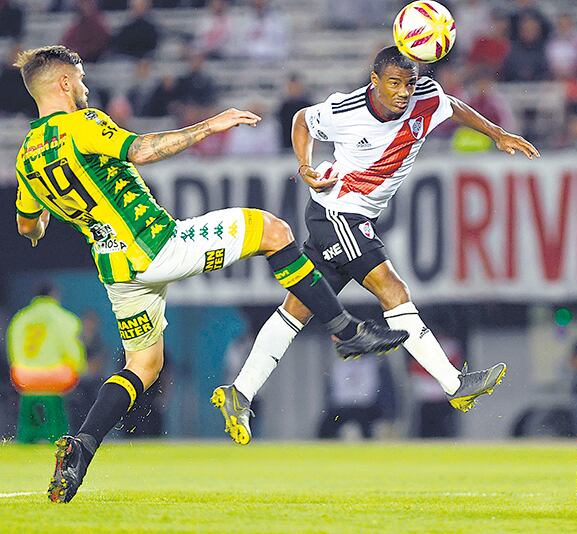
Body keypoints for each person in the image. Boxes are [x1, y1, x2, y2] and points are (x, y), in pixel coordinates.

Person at [12, 45, 408, 503]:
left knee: (143, 365)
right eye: (79, 80)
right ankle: (346, 329)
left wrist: (50, 217)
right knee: (273, 230)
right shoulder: (82, 123)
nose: (84, 88)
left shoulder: (26, 156)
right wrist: (208, 126)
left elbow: (29, 225)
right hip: (157, 245)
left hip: (118, 272)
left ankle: (81, 447)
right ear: (63, 82)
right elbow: (140, 149)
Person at [216, 47, 540, 444]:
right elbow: (302, 120)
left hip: (344, 217)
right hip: (339, 212)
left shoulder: (425, 97)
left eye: (409, 83)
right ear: (375, 81)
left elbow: (451, 104)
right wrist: (305, 166)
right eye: (394, 84)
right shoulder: (346, 110)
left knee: (295, 311)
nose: (404, 92)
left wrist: (498, 134)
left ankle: (240, 393)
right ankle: (453, 383)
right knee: (393, 289)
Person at [7, 283, 86, 444]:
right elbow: (71, 348)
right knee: (61, 390)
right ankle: (58, 433)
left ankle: (27, 435)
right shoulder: (64, 317)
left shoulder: (20, 318)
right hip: (55, 377)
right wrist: (79, 367)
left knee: (30, 401)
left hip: (23, 377)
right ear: (54, 295)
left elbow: (12, 348)